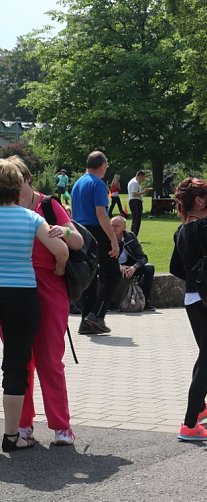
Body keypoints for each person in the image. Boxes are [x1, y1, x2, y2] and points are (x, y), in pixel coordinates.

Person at [10, 156, 81, 447]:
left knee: (50, 359)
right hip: (14, 290)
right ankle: (23, 424)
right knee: (20, 361)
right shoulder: (7, 209)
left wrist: (62, 231)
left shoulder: (49, 205)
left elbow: (77, 241)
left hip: (49, 287)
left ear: (28, 180)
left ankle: (60, 426)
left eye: (16, 185)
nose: (13, 192)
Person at [168, 177, 207, 442]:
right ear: (199, 201)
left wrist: (195, 275)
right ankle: (190, 423)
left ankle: (200, 405)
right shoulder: (204, 226)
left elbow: (174, 268)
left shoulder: (182, 230)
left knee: (204, 354)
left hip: (193, 298)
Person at [72, 151, 120, 335]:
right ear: (101, 165)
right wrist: (113, 240)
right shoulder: (98, 184)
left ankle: (86, 322)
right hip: (96, 232)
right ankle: (97, 316)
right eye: (106, 165)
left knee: (90, 278)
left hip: (79, 231)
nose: (107, 168)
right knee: (113, 274)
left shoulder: (77, 183)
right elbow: (101, 214)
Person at [110, 216, 156, 311]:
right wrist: (118, 266)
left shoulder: (130, 237)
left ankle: (145, 301)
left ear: (124, 227)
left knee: (149, 268)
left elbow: (142, 257)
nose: (113, 228)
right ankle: (109, 303)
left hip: (129, 267)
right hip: (112, 266)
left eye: (116, 226)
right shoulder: (106, 237)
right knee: (103, 271)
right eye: (112, 225)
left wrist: (134, 267)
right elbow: (101, 257)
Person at [127, 170, 146, 236]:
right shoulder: (134, 182)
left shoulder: (134, 182)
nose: (144, 179)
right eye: (144, 177)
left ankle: (133, 235)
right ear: (140, 176)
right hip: (135, 201)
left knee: (136, 220)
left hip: (134, 201)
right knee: (136, 220)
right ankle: (133, 236)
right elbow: (134, 193)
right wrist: (144, 191)